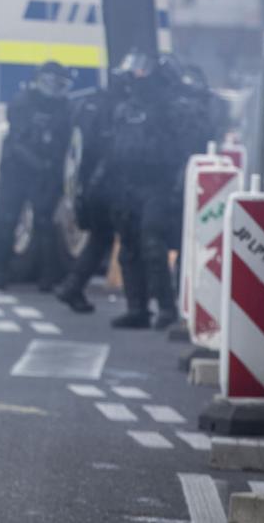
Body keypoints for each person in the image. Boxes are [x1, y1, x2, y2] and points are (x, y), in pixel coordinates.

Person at [105, 51, 179, 329]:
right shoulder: (124, 106)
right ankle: (137, 308)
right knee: (129, 248)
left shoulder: (166, 105)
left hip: (155, 184)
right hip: (127, 184)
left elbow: (177, 146)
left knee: (152, 246)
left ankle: (166, 308)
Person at [0, 61, 73, 290]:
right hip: (18, 171)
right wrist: (40, 164)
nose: (56, 87)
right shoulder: (22, 102)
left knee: (45, 225)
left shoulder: (63, 107)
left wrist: (52, 170)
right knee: (7, 221)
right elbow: (17, 141)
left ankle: (47, 278)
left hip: (45, 174)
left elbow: (64, 141)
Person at [53, 76, 123, 313]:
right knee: (130, 242)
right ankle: (140, 306)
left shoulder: (89, 106)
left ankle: (73, 286)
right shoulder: (116, 110)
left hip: (90, 183)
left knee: (100, 238)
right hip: (109, 184)